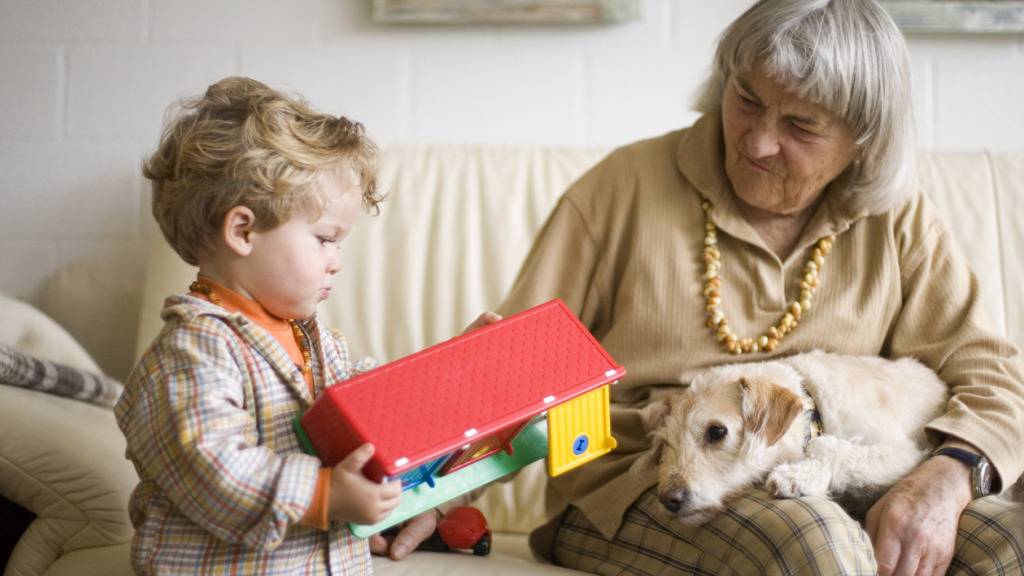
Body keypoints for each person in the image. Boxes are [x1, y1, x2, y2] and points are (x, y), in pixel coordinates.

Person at [495, 0, 1024, 574]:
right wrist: (433, 495)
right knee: (814, 544)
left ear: (863, 141)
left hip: (829, 476)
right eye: (746, 100)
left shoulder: (897, 218)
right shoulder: (620, 190)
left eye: (800, 126)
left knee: (1011, 542)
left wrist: (950, 475)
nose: (758, 143)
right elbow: (508, 367)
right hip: (639, 480)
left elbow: (994, 378)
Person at [115, 77, 496, 574]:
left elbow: (376, 410)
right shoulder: (191, 351)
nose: (336, 261)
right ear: (243, 231)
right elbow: (210, 467)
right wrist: (324, 494)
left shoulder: (315, 341)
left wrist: (452, 370)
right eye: (324, 239)